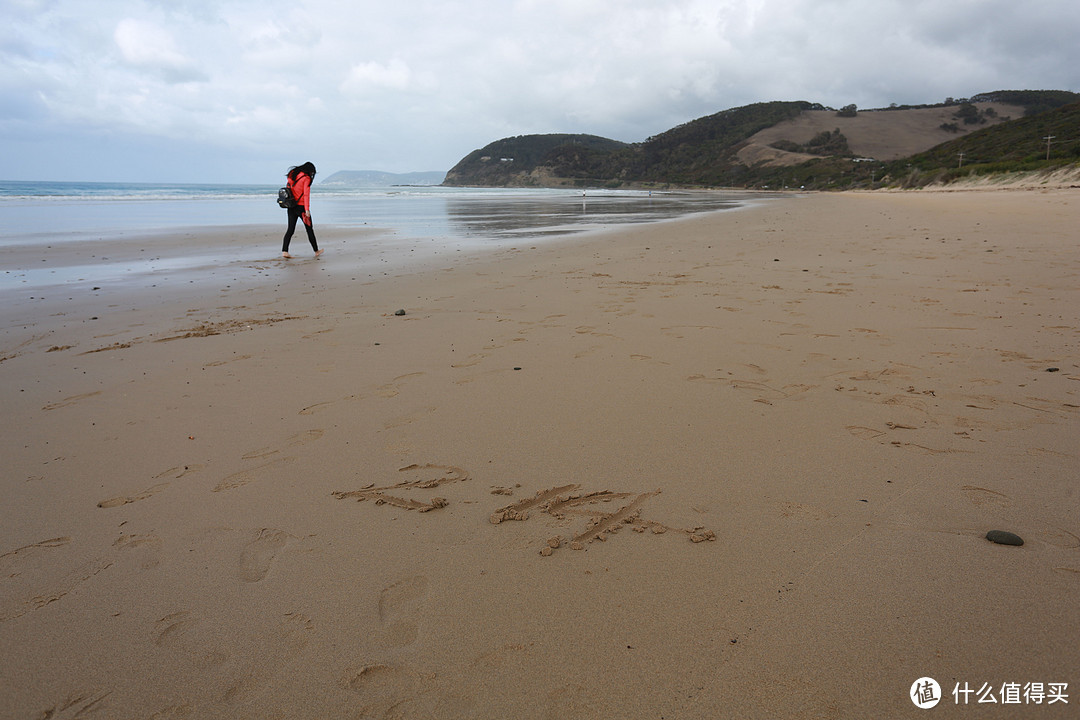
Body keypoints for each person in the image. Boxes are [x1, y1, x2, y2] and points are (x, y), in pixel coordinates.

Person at [281, 162, 323, 258]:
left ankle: (284, 251)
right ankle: (316, 251)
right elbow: (306, 194)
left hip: (291, 206)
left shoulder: (292, 174)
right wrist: (307, 209)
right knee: (309, 229)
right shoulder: (306, 178)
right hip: (302, 207)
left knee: (290, 229)